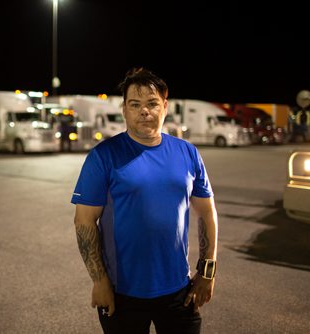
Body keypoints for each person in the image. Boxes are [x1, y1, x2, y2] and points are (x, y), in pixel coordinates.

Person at [71, 67, 218, 334]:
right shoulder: (103, 156)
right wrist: (99, 281)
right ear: (124, 109)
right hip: (121, 293)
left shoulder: (188, 153)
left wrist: (207, 272)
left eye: (152, 103)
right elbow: (84, 221)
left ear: (165, 106)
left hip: (178, 290)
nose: (144, 111)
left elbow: (207, 213)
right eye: (135, 104)